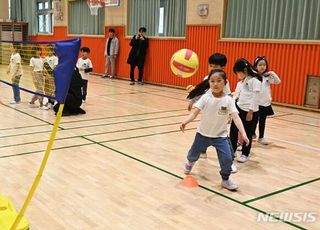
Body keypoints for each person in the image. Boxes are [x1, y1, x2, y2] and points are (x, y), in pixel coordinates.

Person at [180, 69, 249, 191]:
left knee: (227, 159)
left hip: (220, 137)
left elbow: (236, 117)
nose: (215, 84)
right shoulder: (205, 98)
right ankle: (190, 163)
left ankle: (225, 180)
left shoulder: (228, 100)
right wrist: (185, 121)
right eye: (212, 81)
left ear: (225, 82)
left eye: (219, 81)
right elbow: (194, 113)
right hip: (202, 134)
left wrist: (243, 133)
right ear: (209, 83)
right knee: (193, 154)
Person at [229, 58, 262, 163]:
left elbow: (255, 97)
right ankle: (232, 151)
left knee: (247, 133)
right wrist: (232, 108)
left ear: (245, 71)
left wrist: (251, 111)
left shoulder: (255, 81)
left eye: (238, 73)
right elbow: (236, 95)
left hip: (250, 111)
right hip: (239, 109)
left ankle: (245, 153)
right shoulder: (242, 82)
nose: (237, 76)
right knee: (233, 131)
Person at [252, 56, 281, 145]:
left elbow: (278, 81)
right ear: (256, 66)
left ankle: (261, 137)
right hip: (256, 103)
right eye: (260, 65)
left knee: (262, 121)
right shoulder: (253, 77)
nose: (262, 67)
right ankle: (252, 134)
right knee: (254, 120)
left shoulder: (267, 77)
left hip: (265, 103)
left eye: (264, 65)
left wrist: (272, 73)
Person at [43, 44, 58, 109]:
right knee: (46, 90)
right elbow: (44, 66)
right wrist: (43, 71)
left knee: (51, 90)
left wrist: (51, 73)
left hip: (52, 76)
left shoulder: (55, 58)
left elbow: (55, 67)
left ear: (53, 51)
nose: (48, 52)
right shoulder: (46, 58)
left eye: (50, 50)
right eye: (47, 50)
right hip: (46, 76)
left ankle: (51, 103)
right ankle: (49, 101)